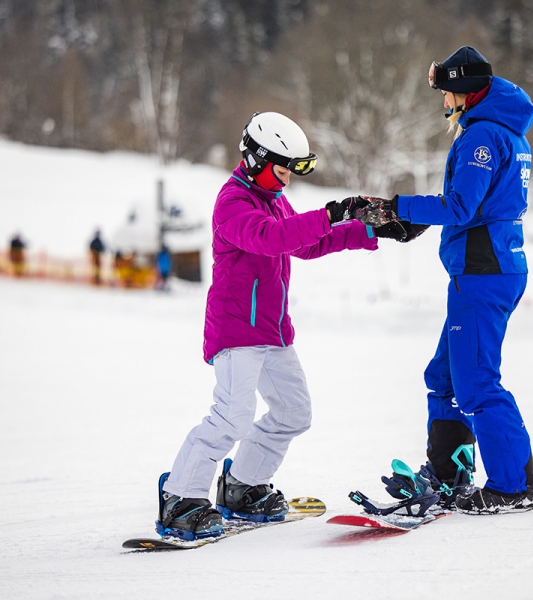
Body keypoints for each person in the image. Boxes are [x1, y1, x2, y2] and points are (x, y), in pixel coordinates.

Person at [156, 112, 407, 540]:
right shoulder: (233, 202)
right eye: (281, 169)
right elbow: (272, 238)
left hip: (272, 333)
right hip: (236, 332)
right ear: (255, 159)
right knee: (232, 417)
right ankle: (180, 496)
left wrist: (370, 230)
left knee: (294, 412)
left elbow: (307, 242)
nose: (287, 179)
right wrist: (331, 212)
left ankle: (242, 485)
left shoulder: (271, 198)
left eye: (292, 170)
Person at [353, 46, 533, 515]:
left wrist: (400, 208)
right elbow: (473, 204)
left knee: (476, 383)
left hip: (484, 272)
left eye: (446, 94)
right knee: (444, 377)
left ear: (465, 92)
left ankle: (515, 485)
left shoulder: (481, 138)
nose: (444, 104)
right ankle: (450, 472)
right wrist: (419, 219)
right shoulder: (504, 132)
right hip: (485, 268)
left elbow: (461, 206)